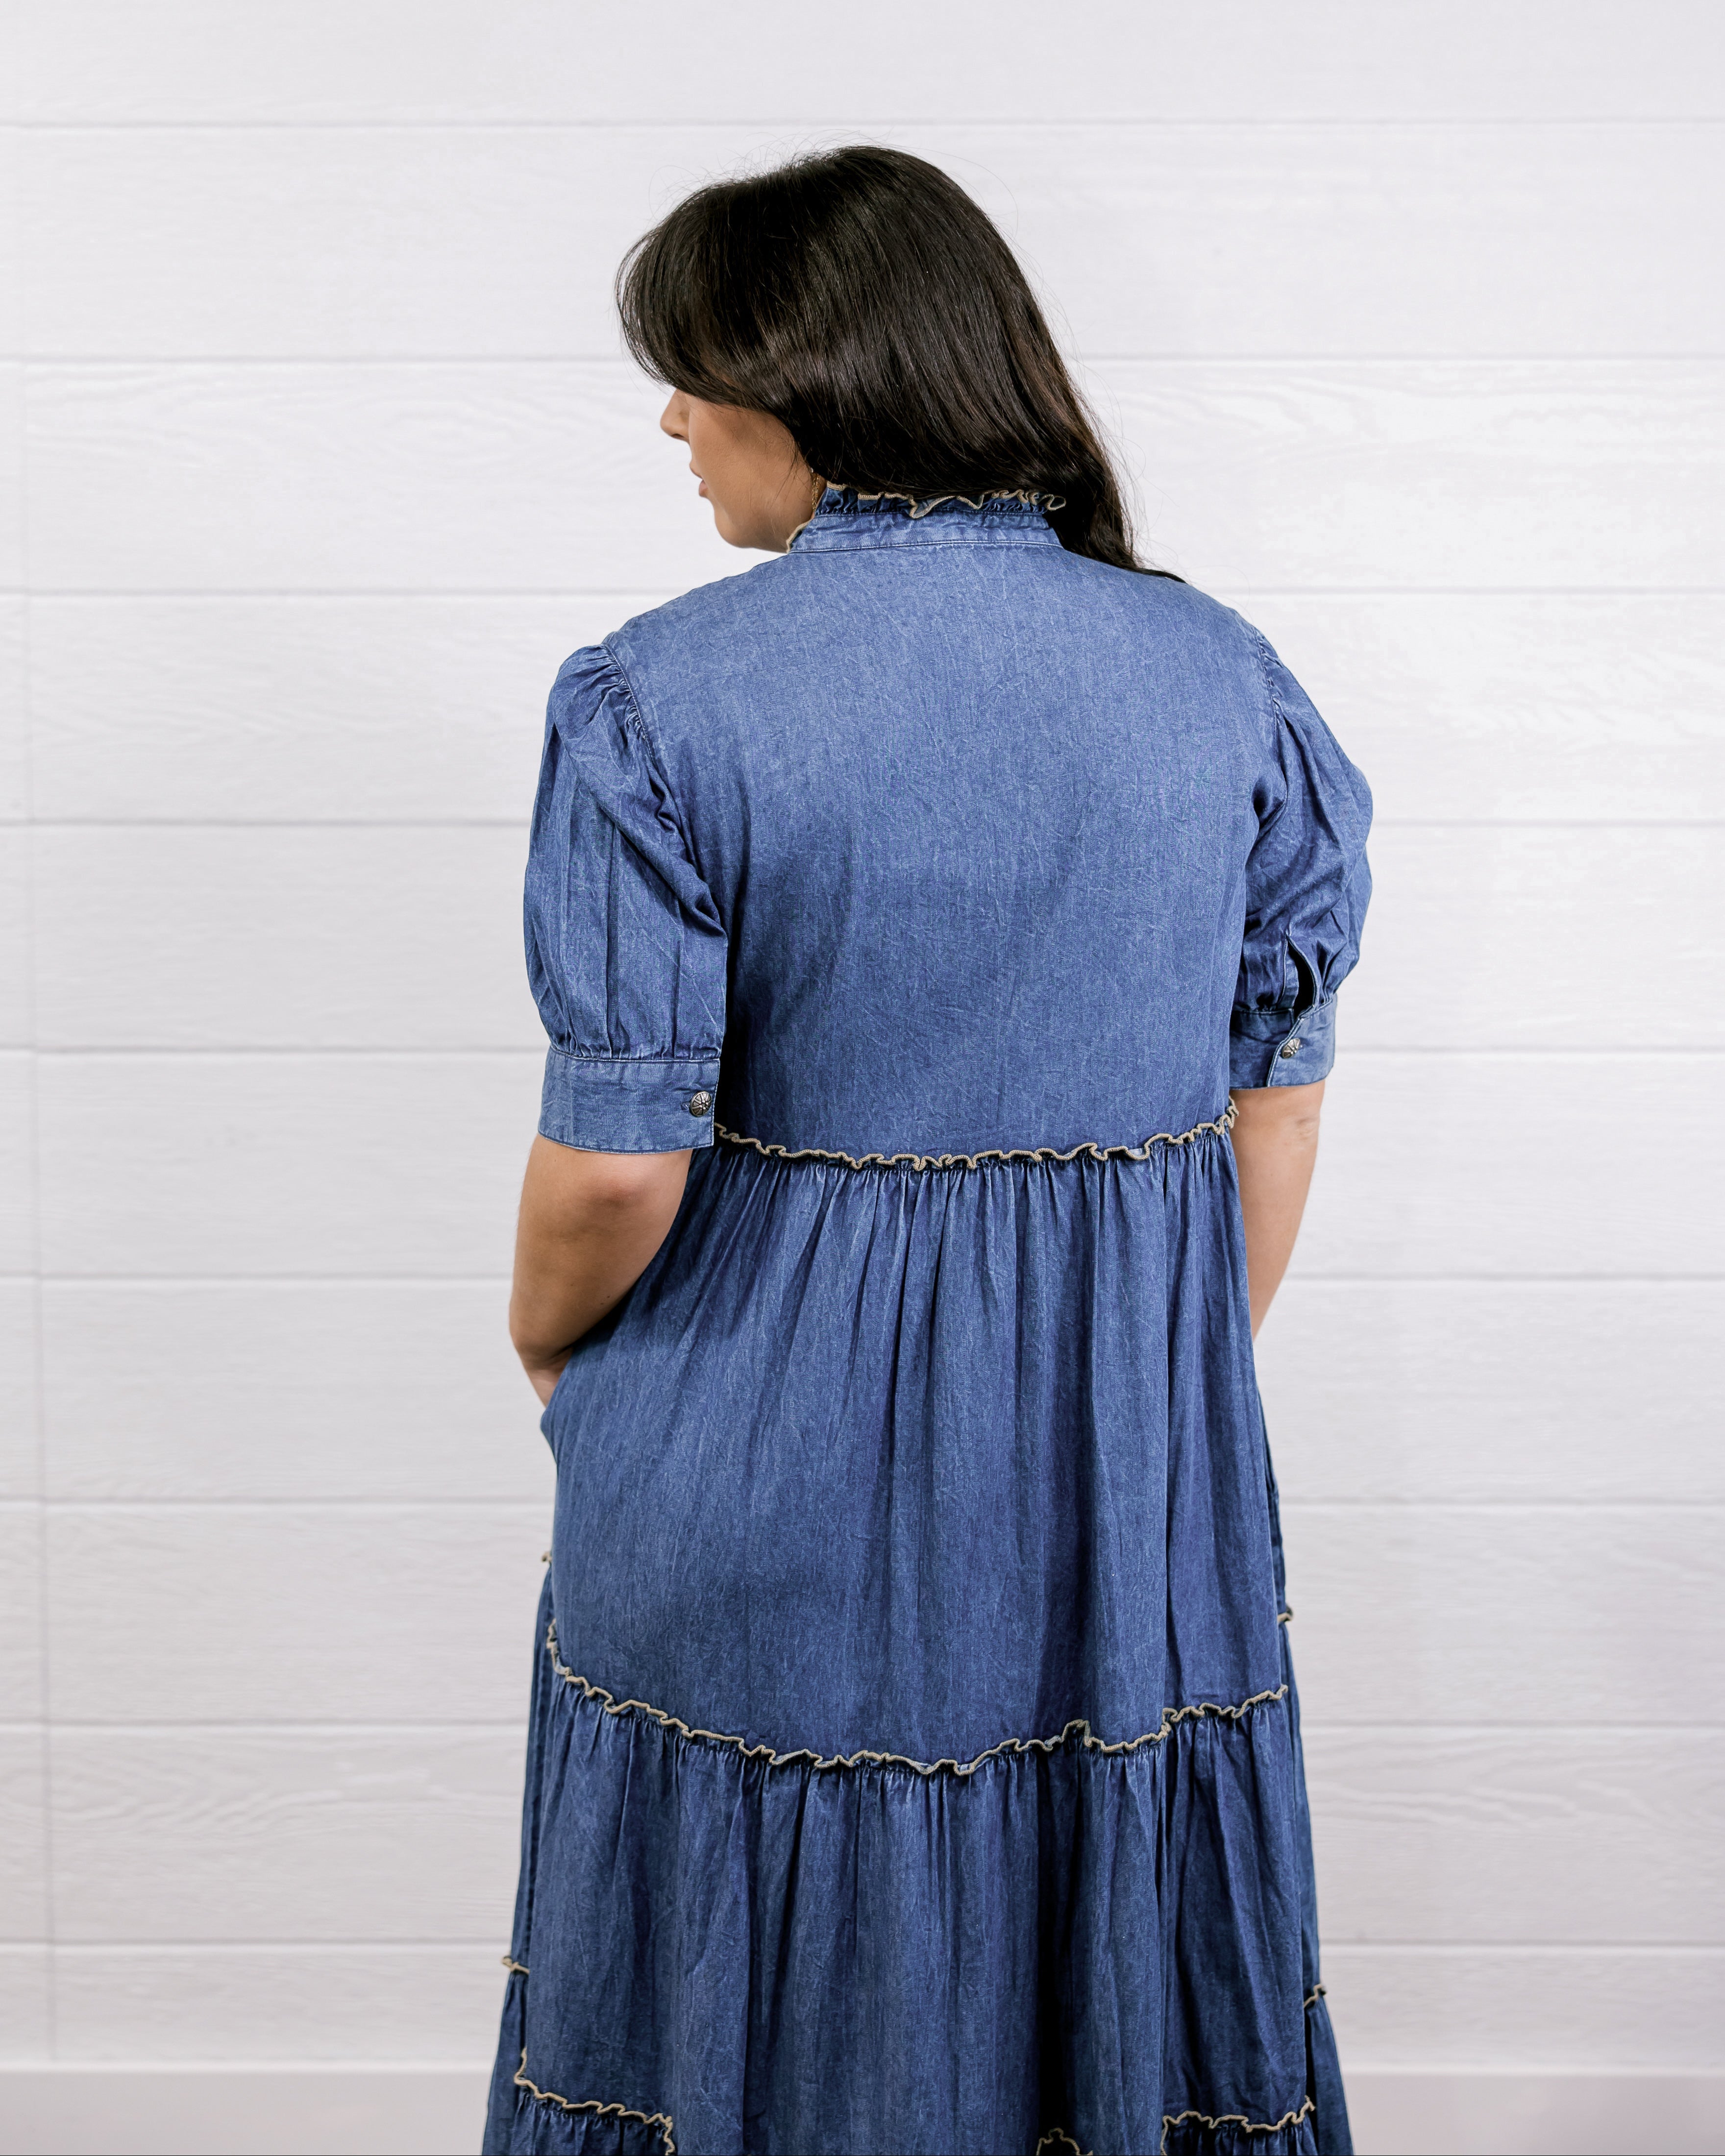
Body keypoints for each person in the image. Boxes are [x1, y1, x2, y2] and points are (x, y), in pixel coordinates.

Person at [484, 145, 1369, 2156]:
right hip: (1122, 1498)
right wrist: (1137, 1380)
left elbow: (617, 1165)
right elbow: (1274, 1108)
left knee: (739, 1944)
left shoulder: (653, 700)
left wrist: (553, 1349)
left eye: (696, 372)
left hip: (748, 1452)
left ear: (814, 381)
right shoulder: (1221, 674)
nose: (675, 418)